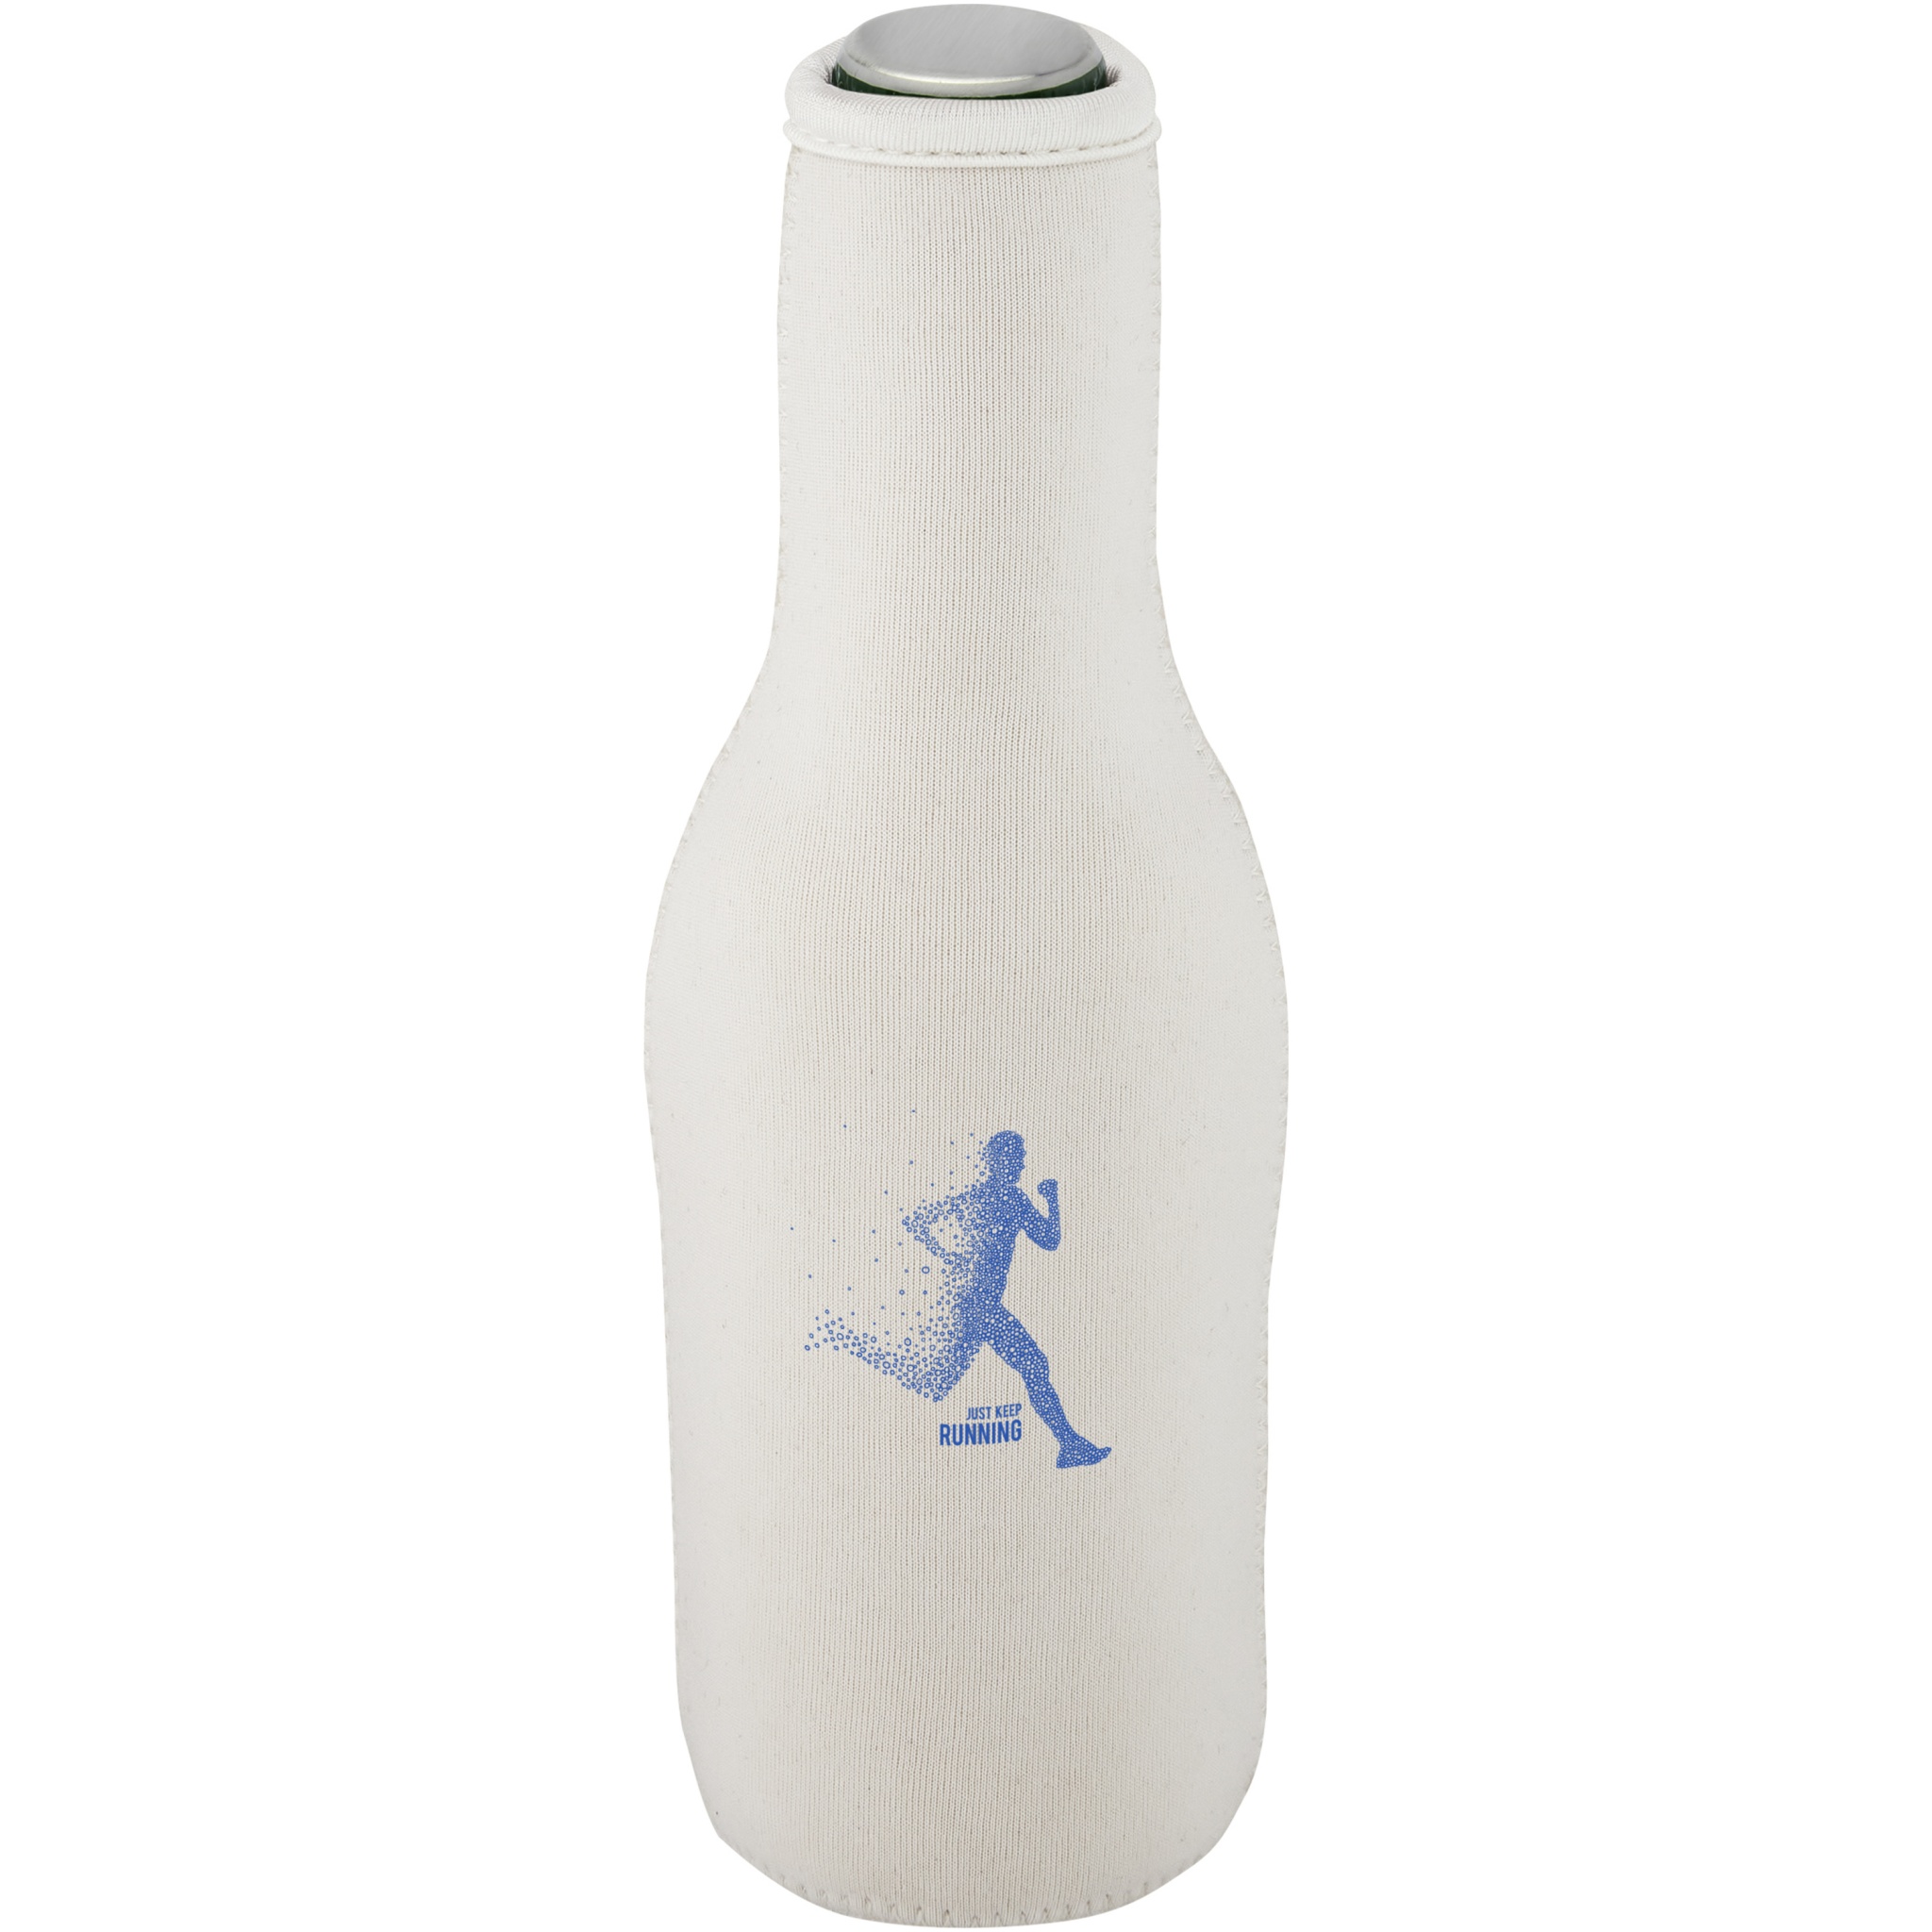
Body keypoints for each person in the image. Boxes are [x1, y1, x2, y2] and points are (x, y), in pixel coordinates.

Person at [902, 1130, 1110, 1470]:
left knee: (939, 1380)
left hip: (973, 1305)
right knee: (1031, 1366)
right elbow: (1050, 1239)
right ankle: (1070, 1445)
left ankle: (1070, 1445)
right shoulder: (1009, 1199)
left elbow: (918, 1222)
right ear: (995, 1161)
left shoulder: (985, 1196)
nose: (1022, 1165)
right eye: (1015, 1158)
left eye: (1021, 1158)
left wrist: (949, 1256)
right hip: (980, 1308)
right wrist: (1052, 1198)